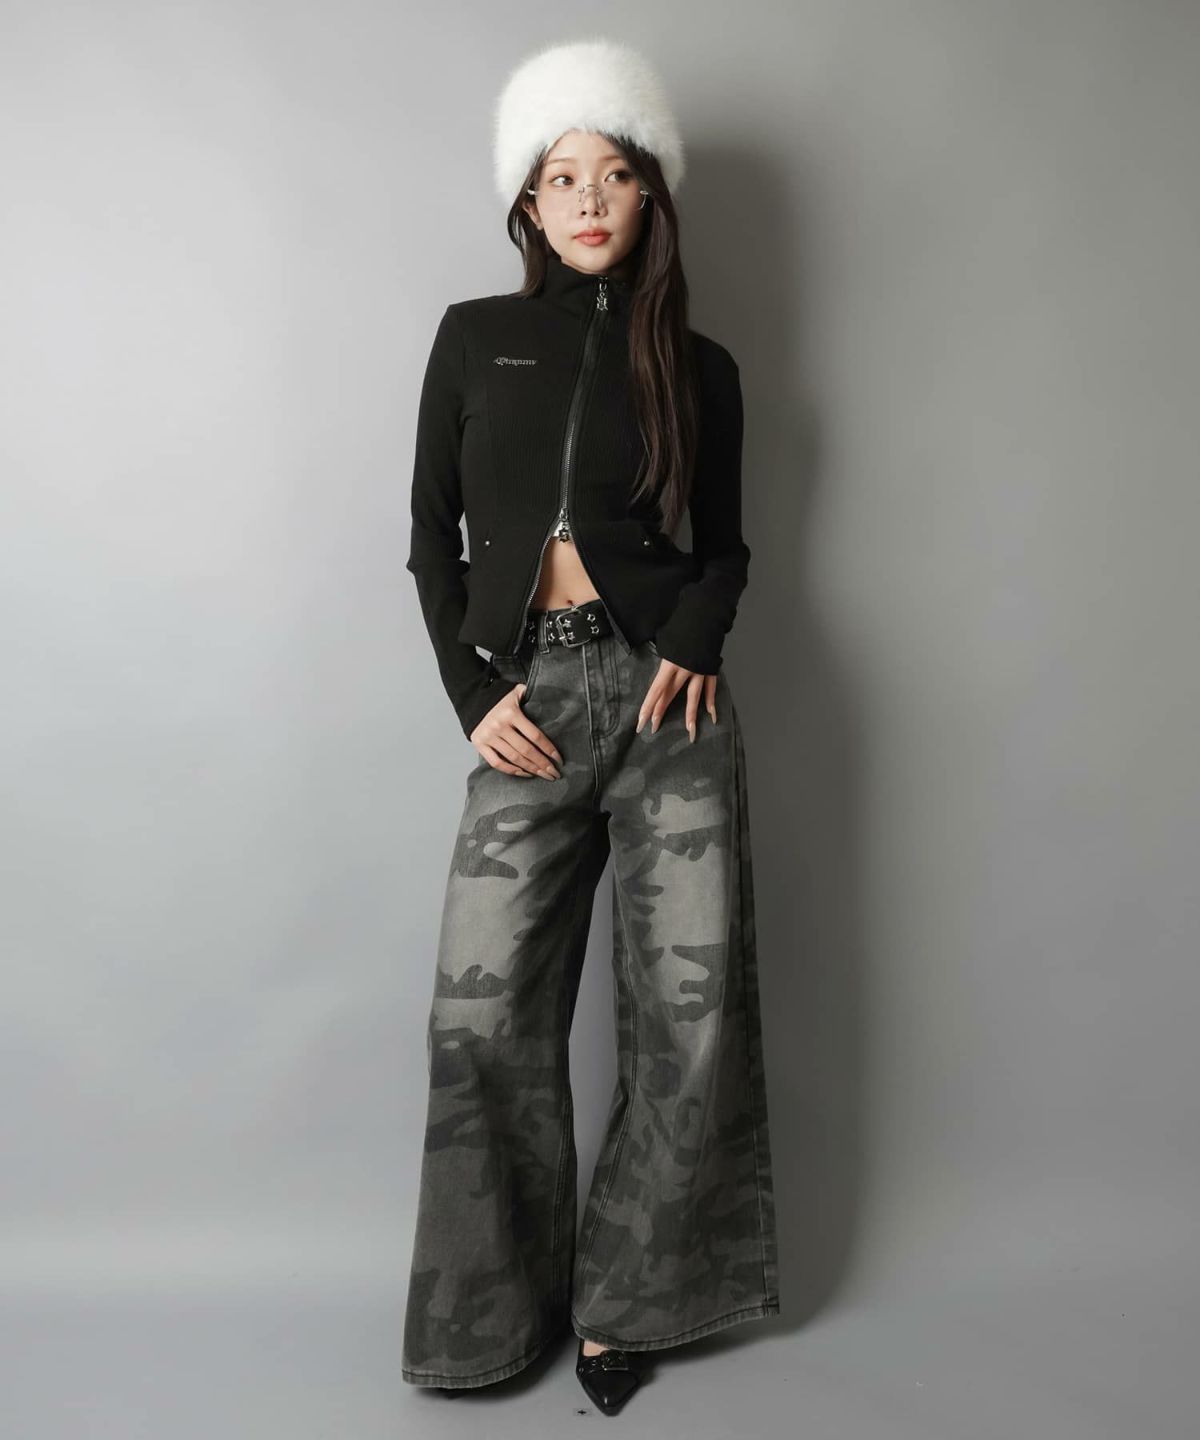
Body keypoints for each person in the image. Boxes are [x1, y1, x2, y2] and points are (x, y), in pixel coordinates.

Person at [400, 38, 780, 1414]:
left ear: (649, 192)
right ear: (528, 201)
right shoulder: (473, 338)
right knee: (482, 1017)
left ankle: (630, 1306)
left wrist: (693, 637)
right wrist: (475, 696)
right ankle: (487, 1321)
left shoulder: (699, 365)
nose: (588, 199)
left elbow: (724, 549)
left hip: (670, 707)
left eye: (613, 173)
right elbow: (430, 542)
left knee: (689, 1019)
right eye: (561, 176)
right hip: (533, 705)